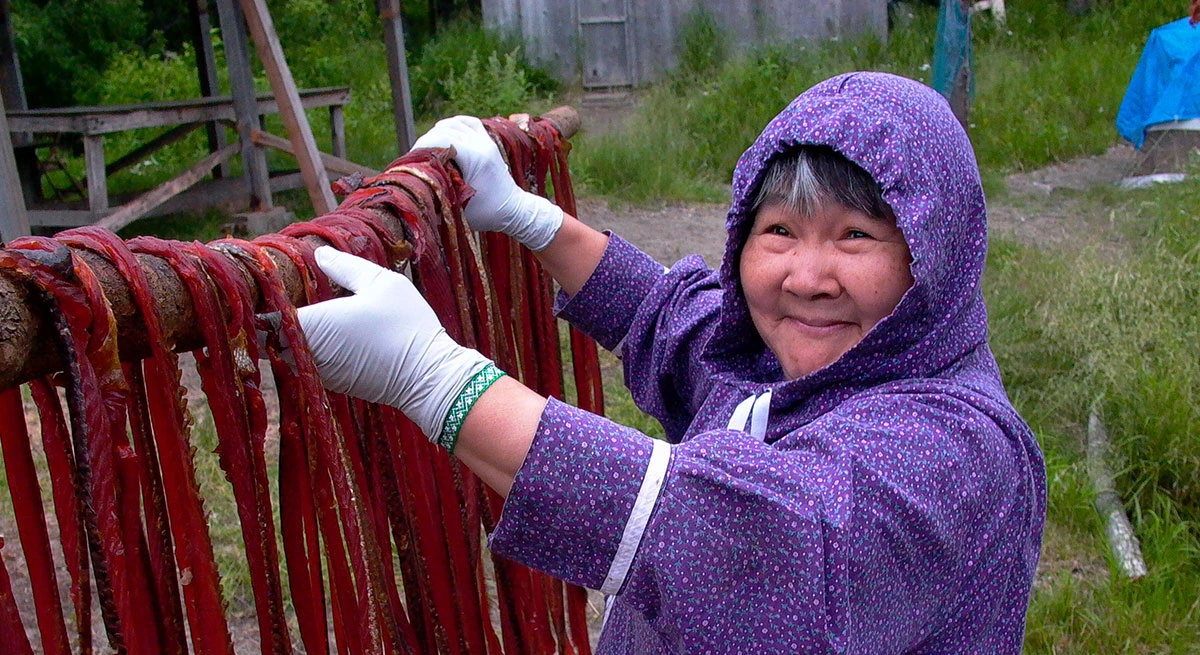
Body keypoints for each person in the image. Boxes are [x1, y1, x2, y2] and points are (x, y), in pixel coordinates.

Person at [299, 72, 1047, 653]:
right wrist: (533, 218)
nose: (806, 276)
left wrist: (436, 380)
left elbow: (742, 545)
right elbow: (676, 324)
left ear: (934, 253)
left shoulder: (959, 448)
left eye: (855, 236)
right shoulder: (796, 363)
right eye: (779, 229)